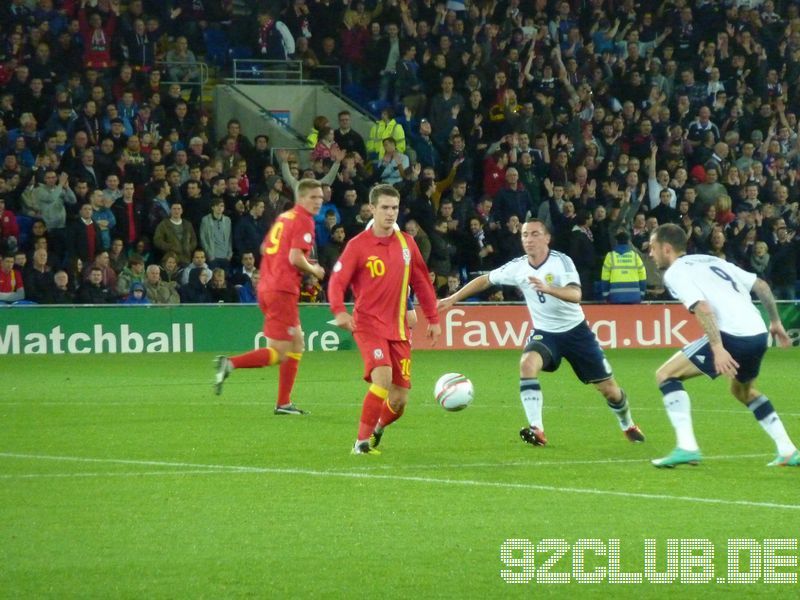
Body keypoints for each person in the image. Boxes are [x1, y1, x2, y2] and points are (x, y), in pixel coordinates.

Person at [438, 219, 645, 447]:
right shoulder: (518, 267)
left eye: (535, 234)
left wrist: (549, 289)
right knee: (527, 364)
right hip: (546, 334)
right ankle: (537, 429)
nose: (529, 239)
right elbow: (485, 280)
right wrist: (453, 298)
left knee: (610, 391)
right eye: (525, 235)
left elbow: (576, 294)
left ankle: (628, 424)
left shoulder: (561, 262)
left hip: (577, 334)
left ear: (547, 238)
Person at [648, 224, 799, 468]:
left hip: (732, 336)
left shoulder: (675, 272)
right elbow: (761, 285)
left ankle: (686, 446)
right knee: (743, 391)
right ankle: (788, 450)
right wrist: (775, 322)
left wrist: (718, 348)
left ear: (667, 248)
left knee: (665, 375)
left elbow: (703, 308)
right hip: (758, 334)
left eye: (653, 248)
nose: (650, 254)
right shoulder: (709, 260)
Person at [328, 184, 441, 455]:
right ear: (372, 209)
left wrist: (433, 318)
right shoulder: (358, 246)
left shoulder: (407, 243)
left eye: (394, 208)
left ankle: (377, 429)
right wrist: (339, 311)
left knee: (399, 399)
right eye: (385, 208)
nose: (390, 214)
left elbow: (422, 283)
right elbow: (336, 281)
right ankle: (361, 444)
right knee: (382, 378)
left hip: (398, 328)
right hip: (367, 324)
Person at [214, 179, 326, 416]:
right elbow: (296, 257)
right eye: (313, 197)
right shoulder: (304, 220)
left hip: (267, 285)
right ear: (301, 198)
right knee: (280, 352)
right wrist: (315, 269)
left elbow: (265, 248)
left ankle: (284, 404)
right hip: (281, 289)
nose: (318, 202)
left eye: (321, 198)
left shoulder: (285, 217)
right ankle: (230, 363)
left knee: (297, 343)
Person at [600, 230, 647, 303]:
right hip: (634, 296)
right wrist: (642, 294)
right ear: (628, 241)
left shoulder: (610, 256)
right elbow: (643, 277)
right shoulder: (635, 256)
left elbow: (605, 278)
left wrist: (606, 296)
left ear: (616, 242)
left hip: (615, 296)